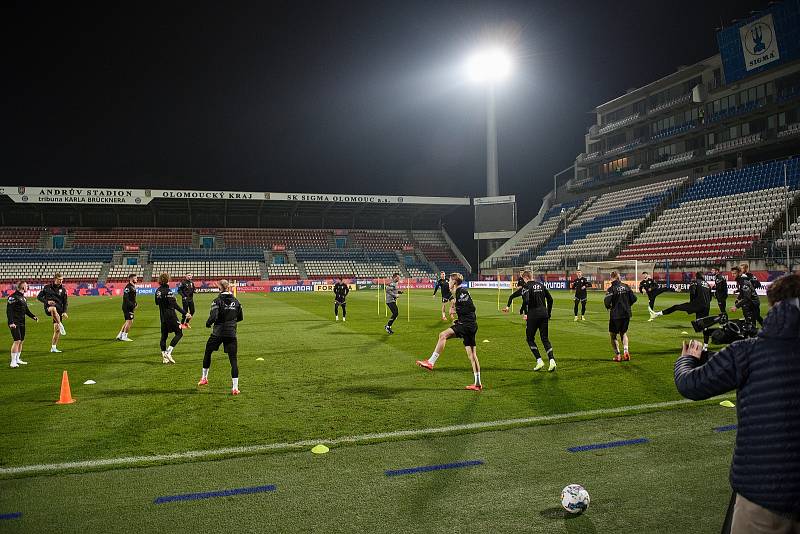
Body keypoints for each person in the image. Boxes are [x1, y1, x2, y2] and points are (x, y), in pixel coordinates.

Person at [674, 273, 800, 533]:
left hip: (766, 493)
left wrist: (687, 360)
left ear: (775, 304)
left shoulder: (749, 352)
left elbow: (691, 385)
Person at [416, 273, 482, 390]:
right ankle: (477, 383)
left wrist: (456, 310)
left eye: (450, 281)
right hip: (469, 324)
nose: (448, 283)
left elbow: (471, 308)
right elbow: (466, 309)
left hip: (467, 325)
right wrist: (458, 318)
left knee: (443, 335)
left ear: (454, 282)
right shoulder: (459, 292)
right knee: (472, 355)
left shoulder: (461, 291)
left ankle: (431, 362)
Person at [503, 270, 556, 372]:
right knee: (545, 338)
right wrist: (548, 313)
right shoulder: (541, 285)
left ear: (525, 278)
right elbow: (550, 299)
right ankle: (552, 360)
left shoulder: (526, 287)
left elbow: (526, 300)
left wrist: (523, 308)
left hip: (533, 315)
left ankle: (539, 361)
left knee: (530, 338)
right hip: (544, 314)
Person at [198, 280, 244, 395]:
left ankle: (204, 378)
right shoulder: (236, 301)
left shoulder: (217, 301)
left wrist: (208, 323)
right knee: (233, 360)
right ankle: (235, 388)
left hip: (218, 333)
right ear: (228, 288)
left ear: (220, 288)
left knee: (208, 352)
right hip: (231, 333)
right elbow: (240, 317)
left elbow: (213, 316)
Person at [155, 273, 189, 363]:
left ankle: (164, 358)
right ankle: (168, 352)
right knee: (179, 333)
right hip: (171, 315)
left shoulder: (157, 291)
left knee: (164, 336)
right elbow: (174, 305)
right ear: (167, 280)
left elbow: (157, 303)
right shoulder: (168, 291)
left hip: (162, 316)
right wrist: (185, 313)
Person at [605, 271, 637, 361]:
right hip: (626, 314)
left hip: (615, 315)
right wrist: (627, 305)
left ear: (612, 277)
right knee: (623, 333)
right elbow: (634, 299)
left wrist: (609, 307)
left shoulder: (611, 289)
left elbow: (607, 302)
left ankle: (618, 355)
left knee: (613, 335)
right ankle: (626, 351)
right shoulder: (626, 286)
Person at [7, 281, 38, 368]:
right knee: (17, 341)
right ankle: (12, 362)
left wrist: (33, 316)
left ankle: (17, 359)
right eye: (26, 286)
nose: (27, 287)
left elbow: (26, 310)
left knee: (21, 341)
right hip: (15, 323)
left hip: (22, 322)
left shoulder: (23, 298)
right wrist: (11, 322)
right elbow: (9, 311)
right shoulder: (12, 297)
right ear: (22, 287)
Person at [37, 273, 68, 353]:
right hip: (49, 308)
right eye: (59, 279)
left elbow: (65, 302)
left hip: (59, 310)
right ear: (55, 279)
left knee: (57, 330)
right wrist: (47, 301)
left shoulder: (63, 290)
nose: (61, 281)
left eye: (62, 280)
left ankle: (53, 348)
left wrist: (64, 312)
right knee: (53, 308)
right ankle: (60, 324)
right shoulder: (47, 287)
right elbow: (39, 297)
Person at [116, 274, 138, 342]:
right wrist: (132, 305)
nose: (137, 279)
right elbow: (125, 297)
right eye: (135, 278)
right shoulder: (128, 287)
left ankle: (120, 335)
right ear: (131, 279)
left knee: (127, 321)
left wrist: (135, 303)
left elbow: (132, 298)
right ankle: (124, 336)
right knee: (130, 321)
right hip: (127, 307)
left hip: (129, 306)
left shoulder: (132, 286)